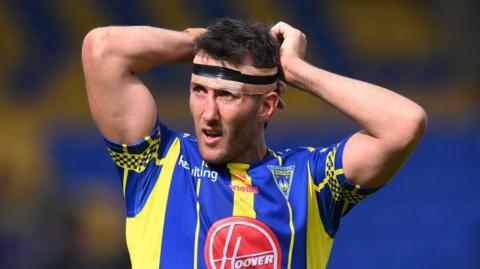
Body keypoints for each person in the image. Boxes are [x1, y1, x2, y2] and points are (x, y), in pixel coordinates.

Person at [82, 18, 427, 269]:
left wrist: (294, 69)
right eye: (199, 90)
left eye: (228, 96)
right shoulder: (156, 163)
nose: (208, 113)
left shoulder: (311, 181)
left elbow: (404, 123)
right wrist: (201, 44)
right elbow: (103, 49)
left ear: (267, 106)